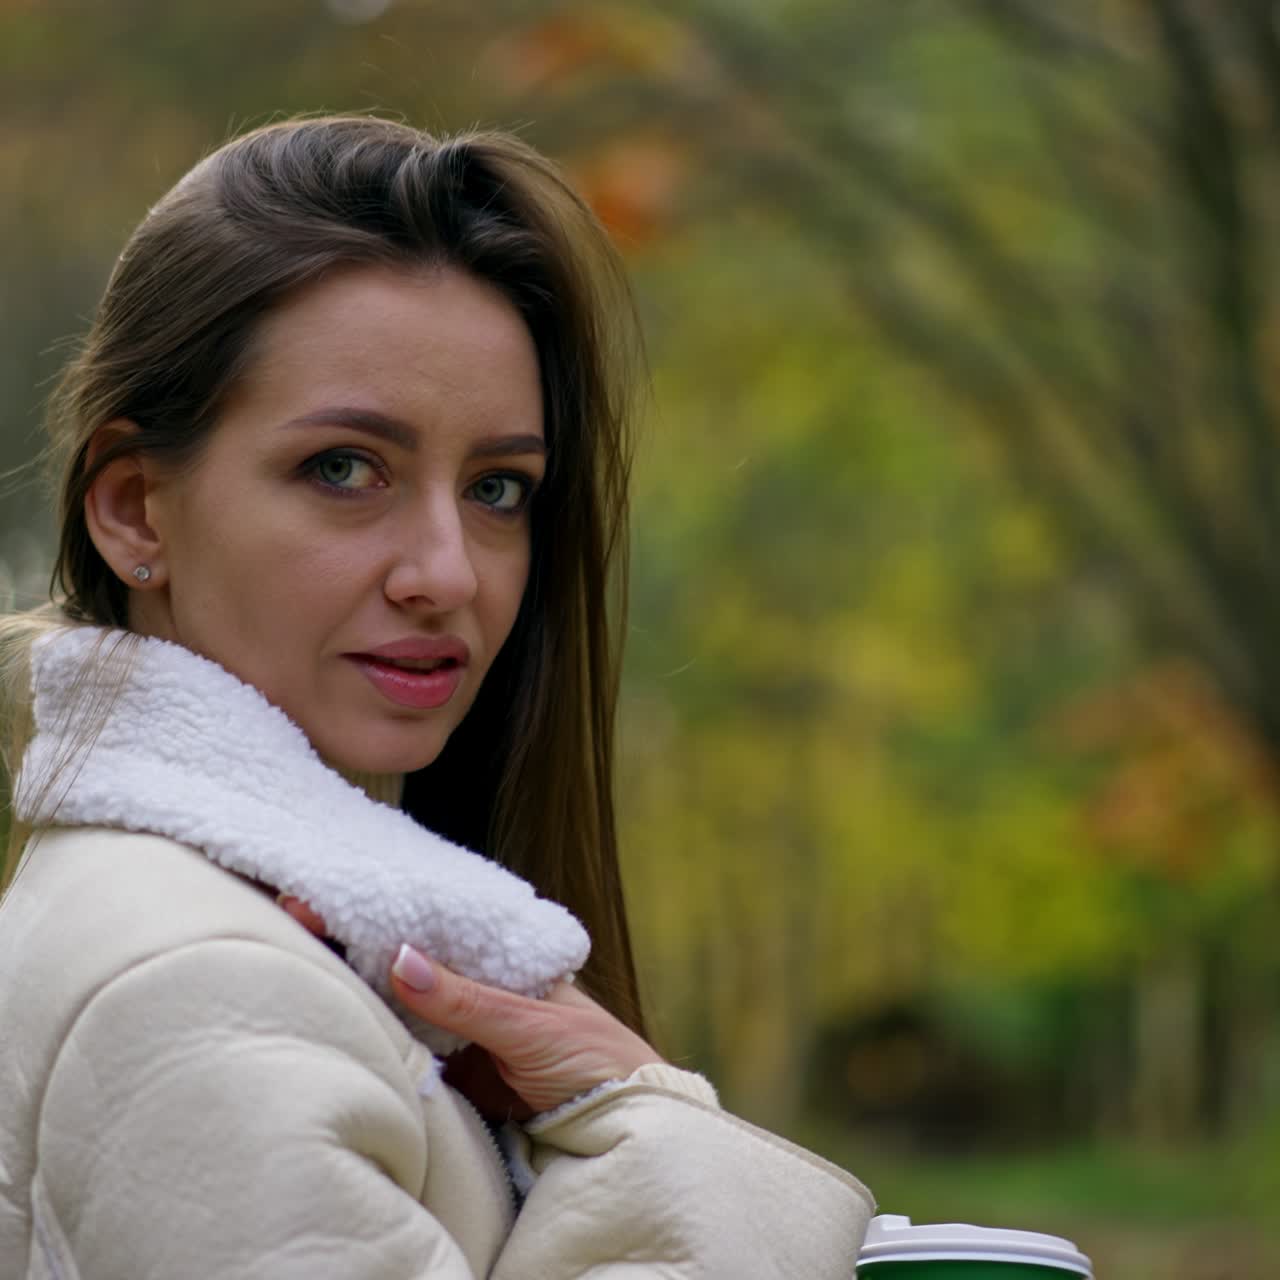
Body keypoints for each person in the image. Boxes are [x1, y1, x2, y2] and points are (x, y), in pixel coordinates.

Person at [0, 115, 872, 1278]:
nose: (448, 572)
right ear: (133, 510)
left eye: (498, 488)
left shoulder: (237, 928)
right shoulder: (204, 984)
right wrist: (660, 1135)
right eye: (344, 469)